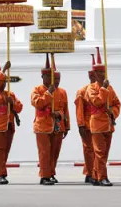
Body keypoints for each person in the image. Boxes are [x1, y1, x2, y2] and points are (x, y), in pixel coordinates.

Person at [86, 47, 121, 186]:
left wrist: (112, 111)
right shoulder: (92, 88)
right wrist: (104, 89)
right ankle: (102, 177)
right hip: (97, 125)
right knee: (100, 152)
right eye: (99, 72)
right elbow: (96, 101)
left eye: (103, 72)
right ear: (94, 73)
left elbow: (117, 103)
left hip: (108, 124)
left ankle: (95, 175)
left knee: (104, 153)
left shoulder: (110, 88)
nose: (102, 74)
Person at [0, 59, 22, 185]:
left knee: (4, 152)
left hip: (8, 126)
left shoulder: (10, 94)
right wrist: (3, 69)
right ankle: (1, 174)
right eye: (1, 81)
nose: (3, 83)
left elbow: (19, 107)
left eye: (4, 81)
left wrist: (11, 103)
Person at [31, 54, 58, 185]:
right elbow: (38, 103)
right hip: (41, 126)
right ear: (42, 77)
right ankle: (44, 176)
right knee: (44, 152)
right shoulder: (37, 89)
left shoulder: (56, 90)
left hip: (54, 125)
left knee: (52, 152)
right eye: (46, 76)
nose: (48, 78)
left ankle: (50, 173)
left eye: (50, 75)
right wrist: (48, 93)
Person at [75, 55, 97, 184]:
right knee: (89, 150)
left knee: (98, 150)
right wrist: (81, 125)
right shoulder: (82, 91)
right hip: (87, 125)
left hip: (101, 125)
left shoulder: (104, 90)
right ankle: (90, 173)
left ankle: (96, 171)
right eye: (93, 76)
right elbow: (79, 110)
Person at [50, 57, 70, 184]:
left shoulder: (62, 92)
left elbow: (66, 109)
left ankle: (52, 172)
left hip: (59, 125)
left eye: (58, 79)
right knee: (47, 151)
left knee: (55, 151)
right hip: (46, 125)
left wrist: (67, 125)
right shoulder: (41, 90)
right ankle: (47, 173)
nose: (57, 81)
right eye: (55, 79)